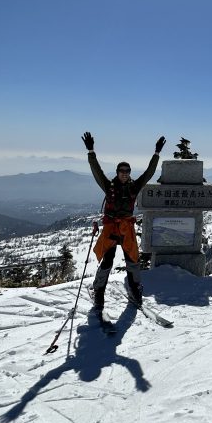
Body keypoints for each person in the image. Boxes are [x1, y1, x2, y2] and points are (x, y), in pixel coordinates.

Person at [82, 131, 165, 314]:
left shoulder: (134, 187)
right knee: (107, 261)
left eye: (127, 171)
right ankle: (99, 291)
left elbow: (149, 173)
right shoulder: (108, 186)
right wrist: (91, 151)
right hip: (112, 228)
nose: (125, 174)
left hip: (126, 228)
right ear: (118, 172)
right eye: (122, 171)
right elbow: (97, 171)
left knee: (132, 261)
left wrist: (156, 153)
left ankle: (135, 288)